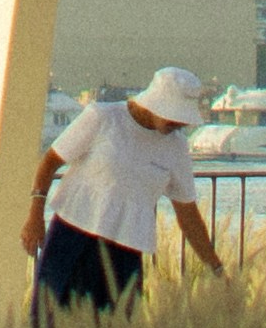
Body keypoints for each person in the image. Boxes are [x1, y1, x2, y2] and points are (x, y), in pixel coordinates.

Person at [19, 66, 228, 314]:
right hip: (71, 239)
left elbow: (188, 214)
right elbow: (50, 162)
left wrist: (216, 268)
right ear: (156, 104)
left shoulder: (177, 147)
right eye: (174, 117)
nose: (179, 124)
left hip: (126, 252)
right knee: (49, 324)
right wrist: (35, 216)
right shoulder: (103, 117)